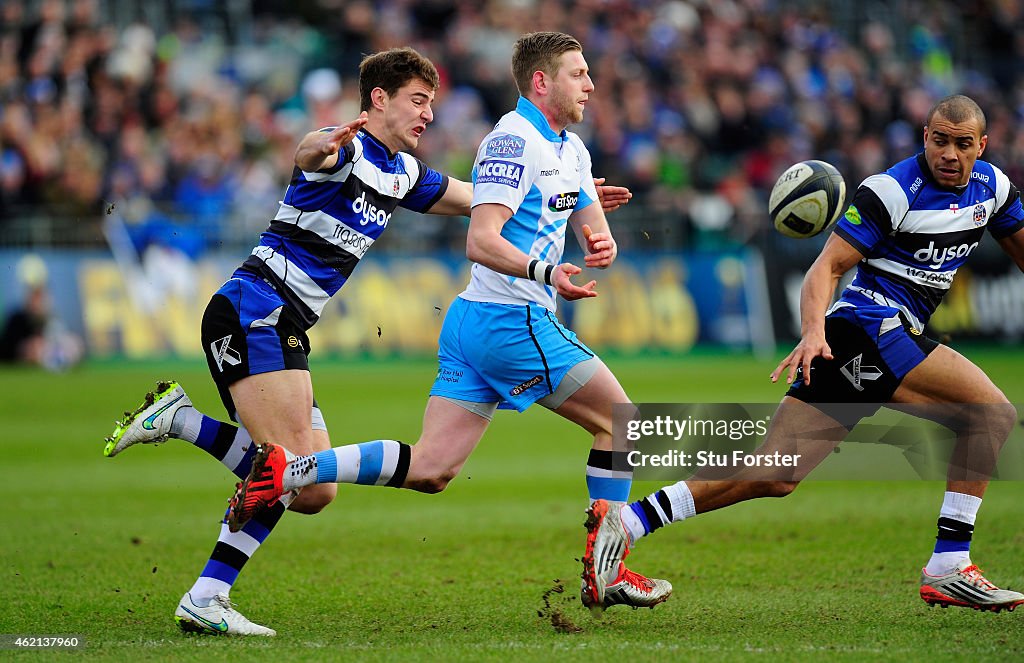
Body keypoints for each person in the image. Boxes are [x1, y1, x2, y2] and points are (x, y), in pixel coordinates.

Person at [103, 45, 633, 636]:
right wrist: (322, 142)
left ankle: (183, 430)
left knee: (314, 487)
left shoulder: (403, 172)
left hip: (284, 322)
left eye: (431, 103)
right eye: (417, 101)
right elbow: (308, 152)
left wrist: (559, 199)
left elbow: (475, 200)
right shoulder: (345, 149)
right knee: (284, 469)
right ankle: (206, 592)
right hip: (255, 309)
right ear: (378, 100)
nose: (428, 115)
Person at [225, 31, 671, 613]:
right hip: (510, 318)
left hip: (471, 324)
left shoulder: (568, 151)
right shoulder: (512, 140)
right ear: (542, 82)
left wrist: (587, 215)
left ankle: (290, 468)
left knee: (432, 469)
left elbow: (573, 215)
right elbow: (480, 239)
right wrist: (547, 271)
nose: (590, 84)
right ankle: (607, 570)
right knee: (622, 422)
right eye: (578, 73)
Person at [583, 94, 1024, 613]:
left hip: (867, 337)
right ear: (924, 137)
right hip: (868, 327)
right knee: (990, 415)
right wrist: (814, 332)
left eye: (962, 144)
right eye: (939, 140)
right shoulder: (891, 191)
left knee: (776, 473)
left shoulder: (994, 188)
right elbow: (825, 268)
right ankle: (950, 564)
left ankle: (627, 523)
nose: (949, 153)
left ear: (982, 145)